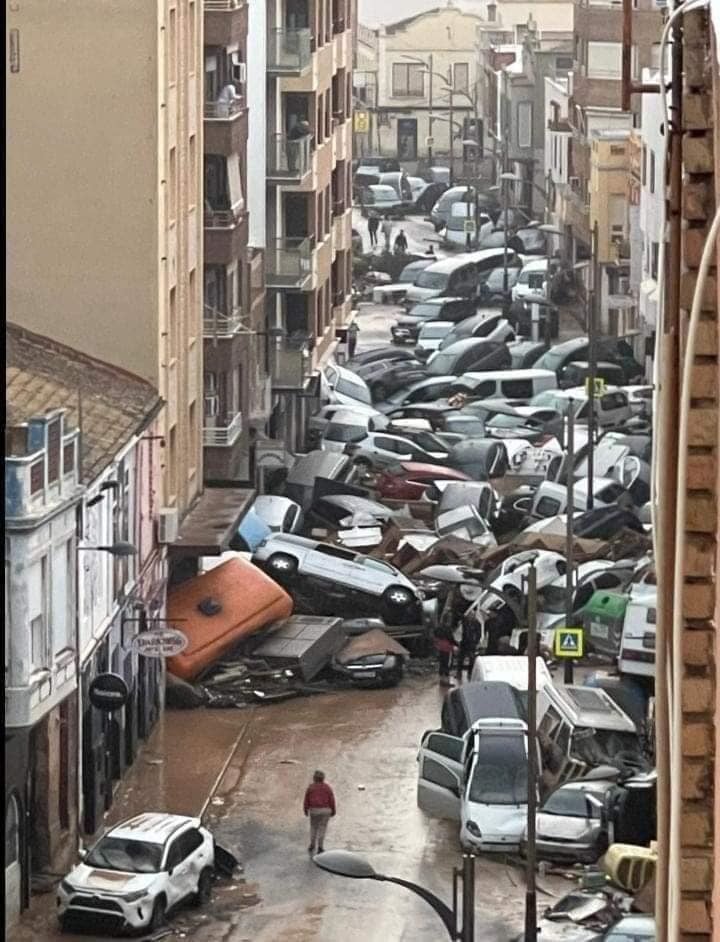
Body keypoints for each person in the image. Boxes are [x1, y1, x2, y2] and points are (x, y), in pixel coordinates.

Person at [303, 770, 336, 854]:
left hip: (314, 810)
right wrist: (333, 810)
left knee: (313, 827)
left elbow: (306, 800)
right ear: (323, 778)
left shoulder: (311, 787)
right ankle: (320, 846)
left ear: (314, 778)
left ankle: (312, 844)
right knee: (322, 827)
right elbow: (332, 800)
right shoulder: (327, 788)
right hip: (325, 810)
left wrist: (305, 810)